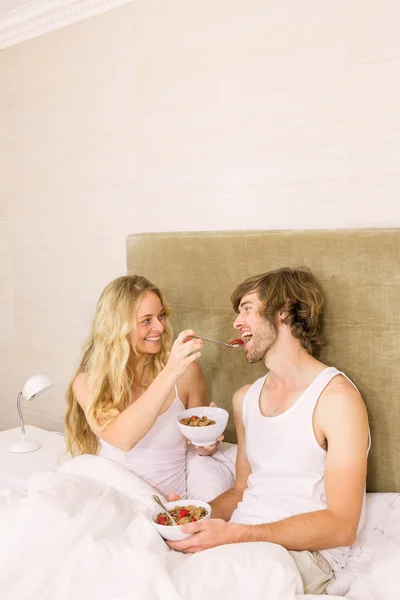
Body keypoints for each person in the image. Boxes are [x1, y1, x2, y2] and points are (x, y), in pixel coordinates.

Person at [168, 267, 370, 595]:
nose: (236, 322)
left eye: (247, 309)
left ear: (284, 309)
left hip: (301, 555)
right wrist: (194, 515)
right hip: (238, 543)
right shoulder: (245, 398)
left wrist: (240, 535)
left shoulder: (336, 400)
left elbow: (342, 526)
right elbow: (240, 490)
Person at [65, 275, 221, 500]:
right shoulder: (89, 383)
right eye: (146, 320)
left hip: (167, 505)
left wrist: (207, 444)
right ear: (117, 327)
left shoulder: (187, 374)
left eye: (161, 316)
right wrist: (170, 371)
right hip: (110, 497)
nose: (160, 327)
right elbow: (123, 438)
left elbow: (199, 444)